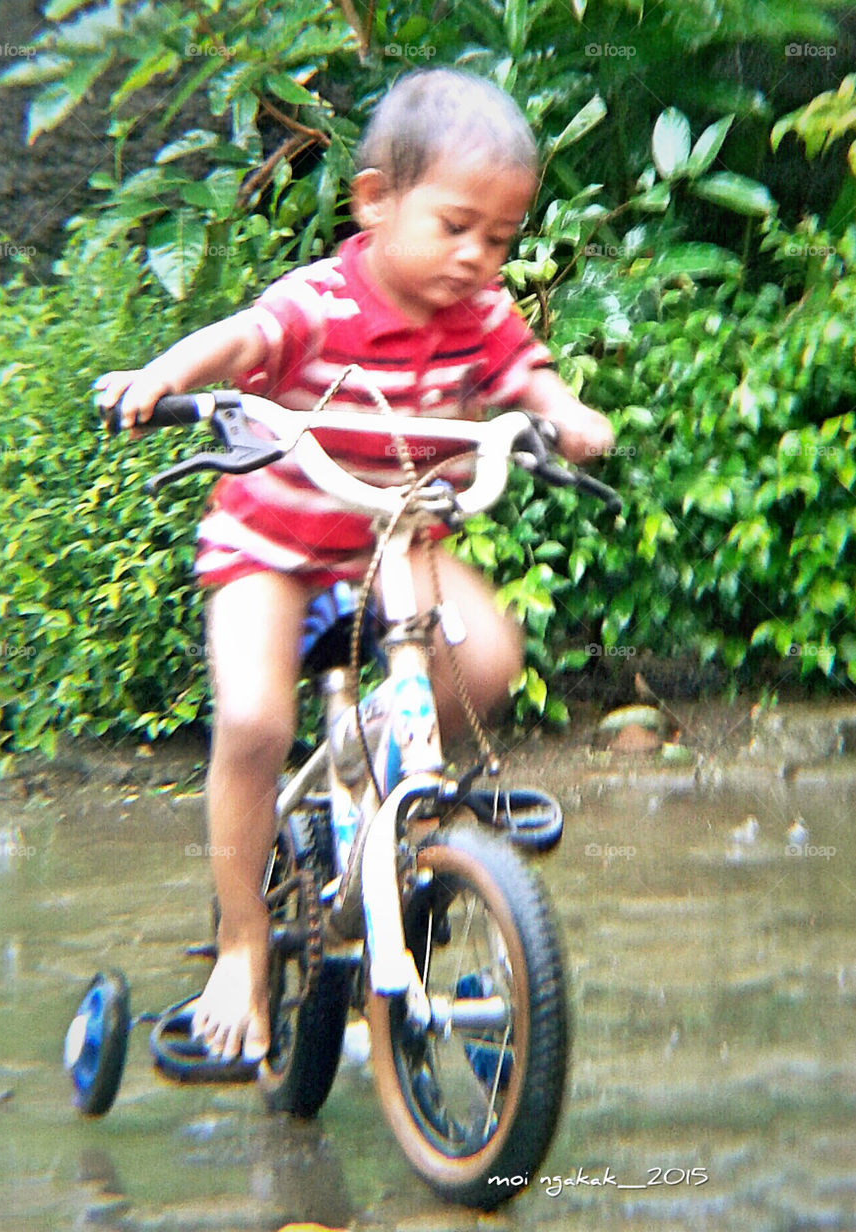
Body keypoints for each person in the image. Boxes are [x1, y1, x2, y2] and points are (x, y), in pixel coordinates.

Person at [95, 68, 614, 1064]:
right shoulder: (322, 301)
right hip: (274, 547)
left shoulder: (479, 313)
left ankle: (381, 776)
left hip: (395, 538)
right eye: (455, 226)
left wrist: (562, 413)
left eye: (499, 237)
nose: (476, 257)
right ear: (375, 201)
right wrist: (166, 376)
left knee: (489, 657)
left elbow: (525, 371)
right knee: (255, 722)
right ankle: (242, 941)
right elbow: (245, 337)